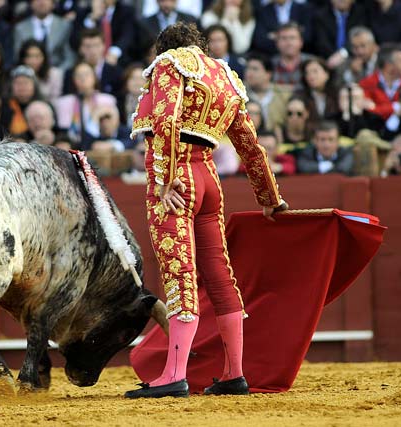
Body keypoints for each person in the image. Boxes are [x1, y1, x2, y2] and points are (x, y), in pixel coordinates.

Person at [125, 22, 287, 399]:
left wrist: (165, 181)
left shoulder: (169, 64)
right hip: (209, 180)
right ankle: (234, 373)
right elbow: (250, 144)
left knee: (180, 273)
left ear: (164, 48)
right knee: (219, 275)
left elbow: (165, 120)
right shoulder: (226, 76)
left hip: (177, 180)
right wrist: (269, 197)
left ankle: (174, 375)